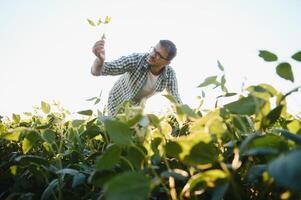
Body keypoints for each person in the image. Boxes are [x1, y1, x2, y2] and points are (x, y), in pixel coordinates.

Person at [91, 39, 182, 116]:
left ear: (166, 63)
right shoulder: (137, 60)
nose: (153, 55)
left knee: (139, 133)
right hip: (118, 101)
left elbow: (175, 100)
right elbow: (100, 71)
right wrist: (100, 60)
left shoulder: (169, 75)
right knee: (119, 131)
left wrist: (190, 119)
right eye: (153, 50)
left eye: (158, 55)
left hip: (136, 108)